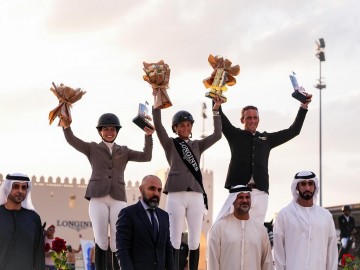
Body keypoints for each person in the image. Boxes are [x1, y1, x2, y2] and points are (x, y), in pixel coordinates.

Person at [62, 112, 154, 269]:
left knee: (117, 241)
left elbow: (146, 156)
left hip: (118, 197)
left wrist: (148, 136)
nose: (109, 132)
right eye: (106, 129)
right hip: (98, 196)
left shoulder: (124, 150)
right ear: (100, 131)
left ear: (117, 131)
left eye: (113, 129)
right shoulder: (92, 148)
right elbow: (72, 140)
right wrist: (66, 126)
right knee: (101, 239)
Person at [217, 94, 312, 223]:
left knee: (256, 231)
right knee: (231, 228)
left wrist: (304, 107)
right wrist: (216, 103)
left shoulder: (267, 139)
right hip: (239, 191)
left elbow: (293, 131)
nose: (252, 120)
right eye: (249, 117)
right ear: (242, 120)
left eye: (255, 117)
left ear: (259, 120)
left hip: (260, 192)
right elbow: (221, 119)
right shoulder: (235, 135)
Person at [152, 96, 222, 270]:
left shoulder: (198, 145)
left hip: (196, 195)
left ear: (191, 127)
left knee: (194, 239)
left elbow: (218, 135)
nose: (185, 127)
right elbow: (158, 127)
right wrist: (157, 105)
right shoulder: (170, 144)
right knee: (174, 238)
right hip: (176, 194)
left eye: (188, 124)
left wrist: (216, 111)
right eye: (181, 125)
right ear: (175, 128)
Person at [273, 170, 338, 270]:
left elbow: (332, 252)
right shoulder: (284, 215)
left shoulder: (326, 216)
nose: (307, 188)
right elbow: (278, 253)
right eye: (303, 184)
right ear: (297, 187)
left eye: (310, 184)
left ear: (315, 186)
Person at [207, 185, 273, 270]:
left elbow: (267, 262)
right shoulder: (219, 228)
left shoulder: (260, 230)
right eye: (241, 197)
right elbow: (213, 263)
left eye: (247, 197)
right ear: (233, 200)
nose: (245, 200)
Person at [115, 175, 174, 270]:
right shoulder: (128, 214)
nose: (156, 193)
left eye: (159, 190)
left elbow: (167, 249)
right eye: (152, 189)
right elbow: (122, 250)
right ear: (141, 189)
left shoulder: (164, 216)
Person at [0, 173, 45, 270]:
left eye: (24, 188)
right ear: (7, 188)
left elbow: (39, 254)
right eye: (16, 186)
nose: (20, 191)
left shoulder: (33, 219)